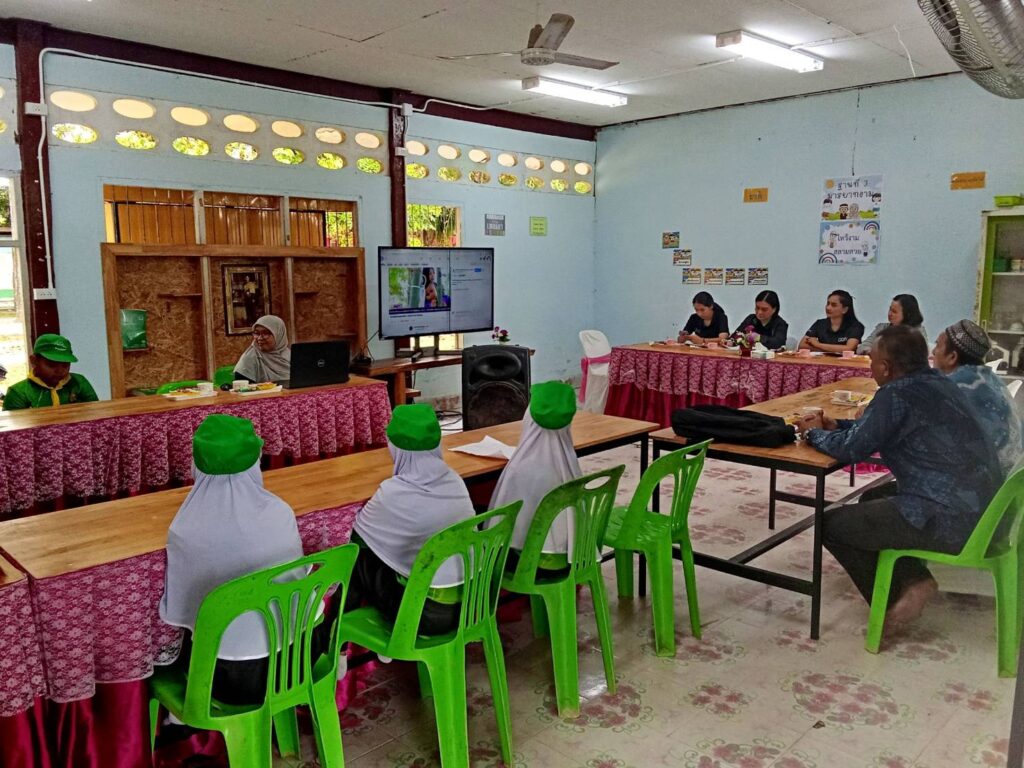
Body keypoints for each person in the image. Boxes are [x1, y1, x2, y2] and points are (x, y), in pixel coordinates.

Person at [797, 326, 1002, 625]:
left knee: (831, 524)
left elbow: (852, 450)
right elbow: (878, 429)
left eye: (872, 360)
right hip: (990, 511)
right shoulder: (939, 383)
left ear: (885, 367)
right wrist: (837, 426)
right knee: (873, 496)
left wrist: (812, 433)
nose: (870, 366)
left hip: (955, 519)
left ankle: (897, 599)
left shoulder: (896, 394)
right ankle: (911, 578)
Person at [159, 414, 326, 706]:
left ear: (195, 464)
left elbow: (182, 611)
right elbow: (297, 575)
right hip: (298, 660)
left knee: (177, 652)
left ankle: (181, 714)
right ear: (255, 462)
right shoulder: (280, 511)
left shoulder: (185, 528)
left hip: (226, 680)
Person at [349, 404, 475, 633]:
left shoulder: (393, 492)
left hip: (423, 615)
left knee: (357, 556)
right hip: (471, 604)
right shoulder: (455, 481)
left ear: (394, 448)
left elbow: (359, 535)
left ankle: (340, 637)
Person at [489, 381, 580, 568]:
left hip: (533, 564)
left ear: (528, 420)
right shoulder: (570, 465)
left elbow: (499, 530)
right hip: (570, 559)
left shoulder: (519, 471)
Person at [933, 320, 1023, 476]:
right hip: (1010, 481)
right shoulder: (991, 379)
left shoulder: (955, 386)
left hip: (984, 483)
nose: (933, 351)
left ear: (952, 357)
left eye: (938, 346)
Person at [3, 334, 98, 410]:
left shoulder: (79, 382)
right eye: (51, 365)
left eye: (65, 365)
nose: (60, 371)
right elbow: (15, 427)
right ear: (34, 361)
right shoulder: (19, 393)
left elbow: (96, 413)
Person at [856, 294, 928, 354]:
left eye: (894, 311)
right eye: (890, 309)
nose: (890, 314)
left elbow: (921, 353)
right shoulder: (882, 328)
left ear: (907, 314)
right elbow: (862, 347)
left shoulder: (917, 332)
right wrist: (870, 352)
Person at [799, 289, 865, 353]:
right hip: (823, 359)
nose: (828, 308)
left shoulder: (856, 326)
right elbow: (802, 346)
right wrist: (831, 350)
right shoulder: (819, 324)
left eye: (834, 305)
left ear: (844, 309)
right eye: (828, 304)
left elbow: (849, 349)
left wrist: (818, 345)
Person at [233, 315, 290, 383]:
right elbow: (241, 388)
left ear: (279, 334)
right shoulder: (249, 359)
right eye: (256, 333)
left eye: (265, 333)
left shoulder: (288, 354)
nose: (260, 338)